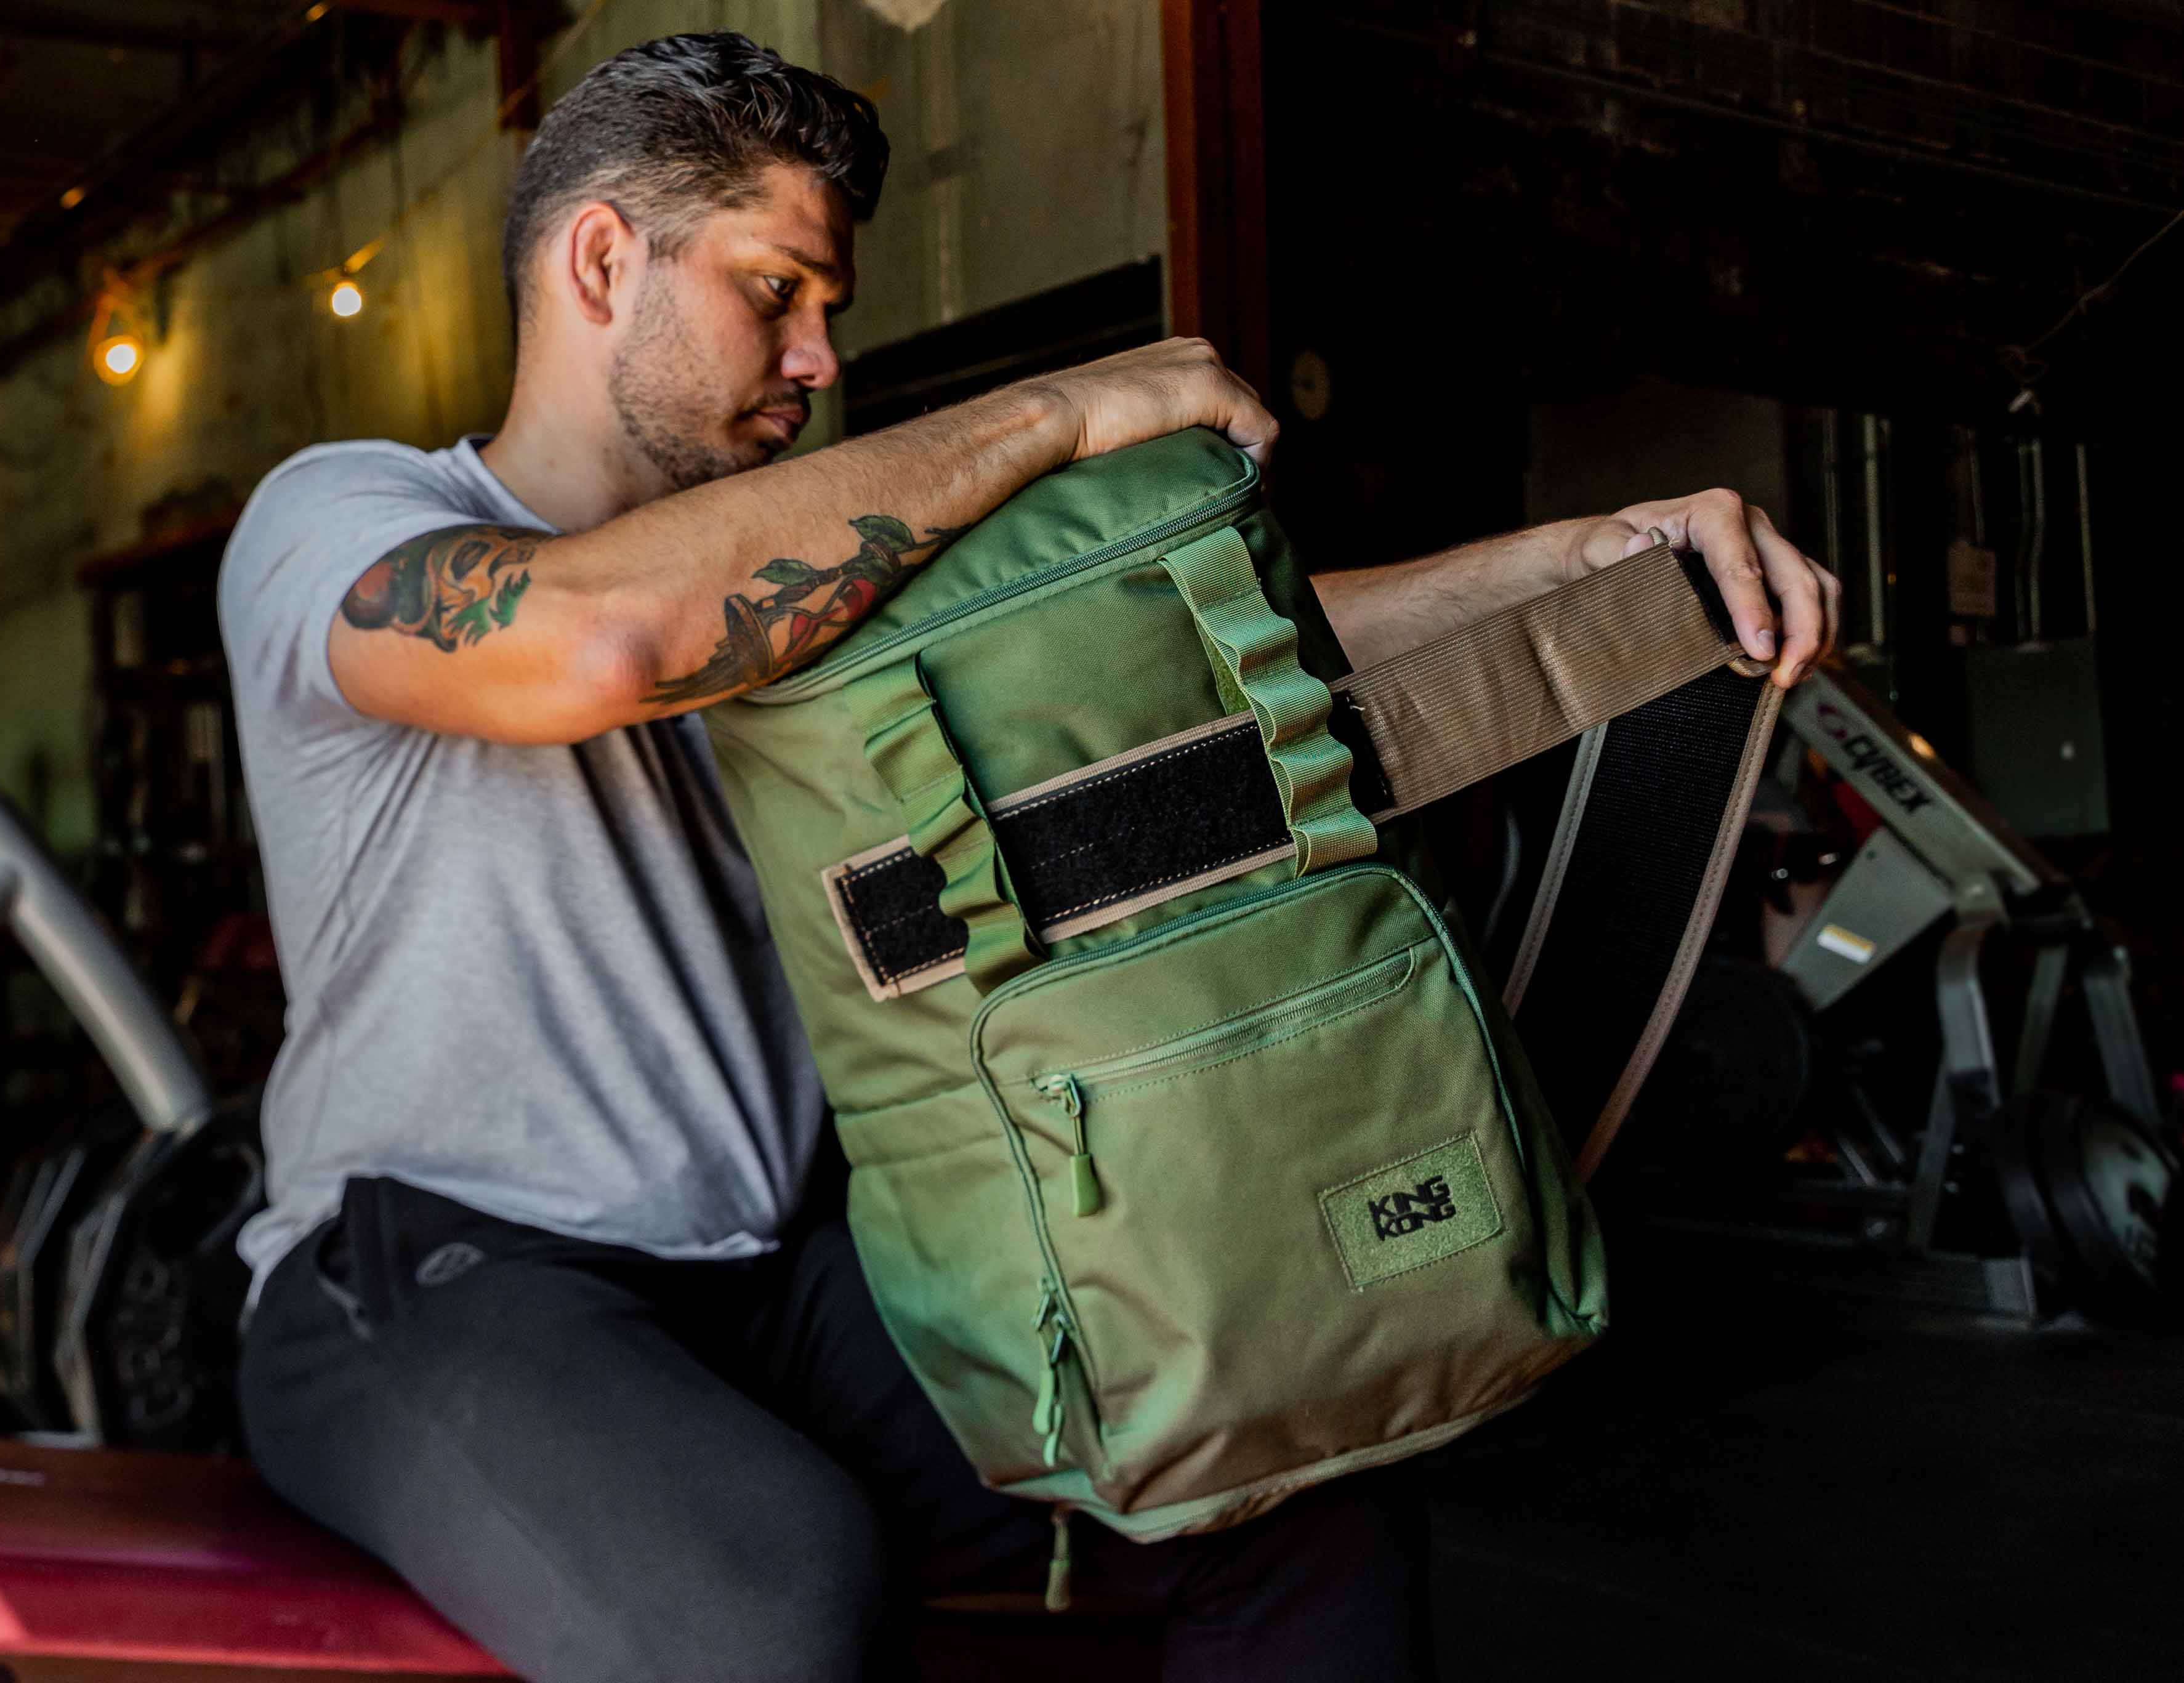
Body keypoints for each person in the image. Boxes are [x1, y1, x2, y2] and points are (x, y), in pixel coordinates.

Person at [220, 31, 1837, 1683]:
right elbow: (604, 642)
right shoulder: (349, 519)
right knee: (772, 1609)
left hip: (778, 1278)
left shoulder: (823, 593)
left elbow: (1250, 667)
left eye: (826, 308)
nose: (818, 356)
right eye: (776, 292)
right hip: (429, 1276)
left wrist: (1593, 563)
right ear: (600, 256)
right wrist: (1063, 410)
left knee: (1276, 1486)